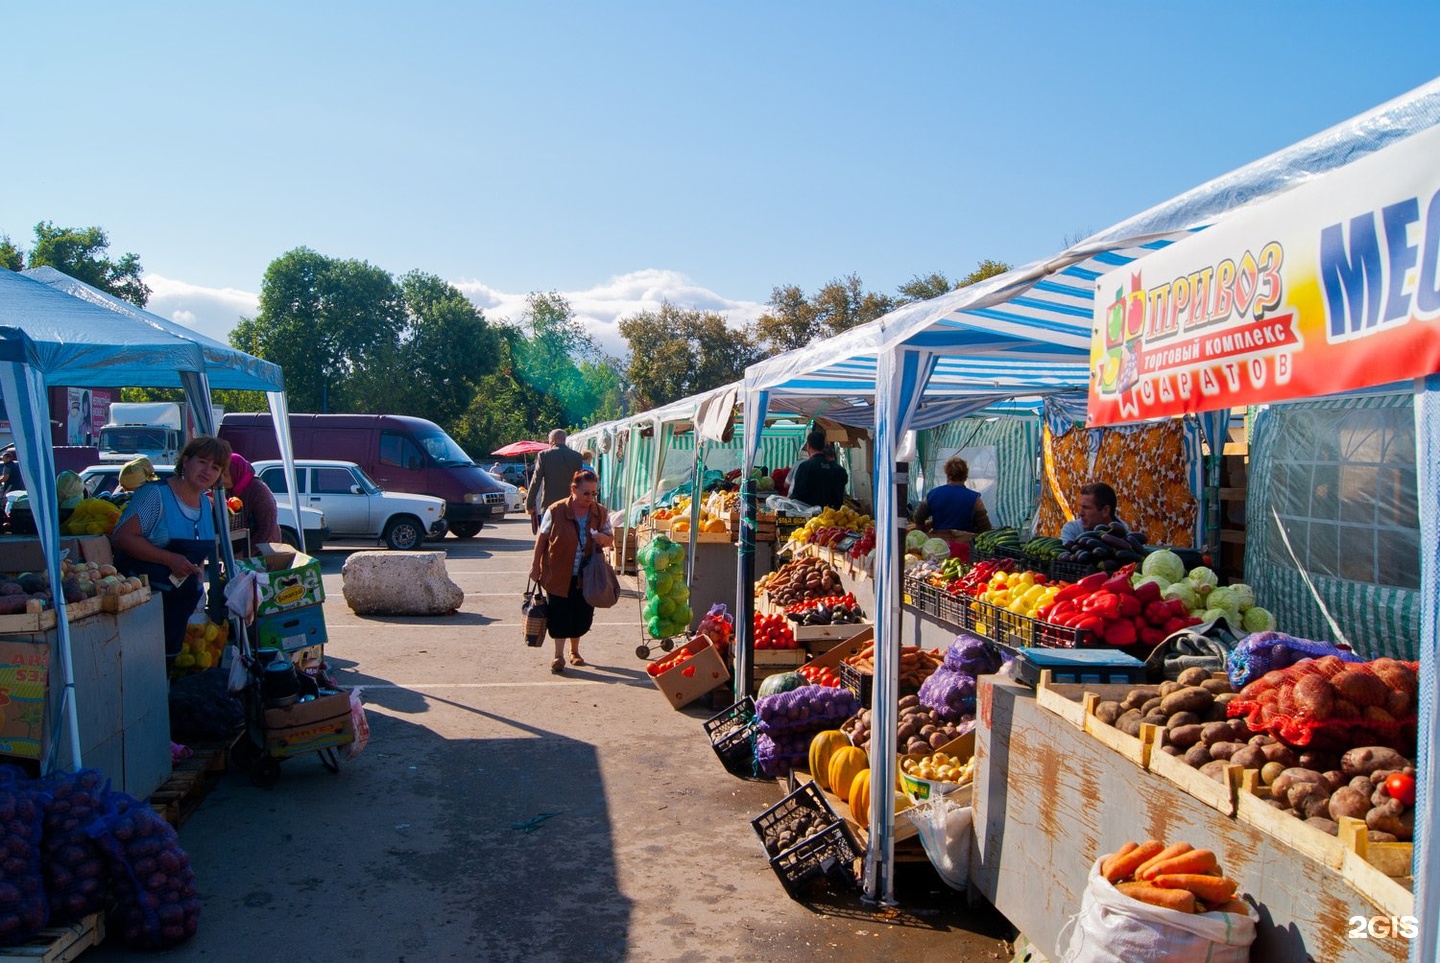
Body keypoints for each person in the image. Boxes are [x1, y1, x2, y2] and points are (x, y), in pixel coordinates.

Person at [111, 436, 231, 664]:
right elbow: (122, 537)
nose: (208, 471)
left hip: (177, 614)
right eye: (203, 462)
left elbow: (196, 553)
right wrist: (169, 559)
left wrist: (194, 571)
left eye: (215, 467)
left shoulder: (206, 504)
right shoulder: (155, 495)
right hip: (141, 611)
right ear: (185, 461)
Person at [529, 469, 614, 674]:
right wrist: (535, 566)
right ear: (573, 489)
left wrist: (603, 539)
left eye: (594, 493)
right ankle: (558, 655)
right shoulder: (556, 510)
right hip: (558, 572)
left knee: (581, 614)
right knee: (559, 614)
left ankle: (574, 652)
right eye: (586, 493)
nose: (590, 498)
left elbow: (610, 537)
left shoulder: (600, 512)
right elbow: (542, 539)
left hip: (587, 575)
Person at [912, 455, 992, 534]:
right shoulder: (975, 500)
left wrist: (924, 535)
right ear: (965, 477)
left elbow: (918, 517)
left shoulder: (932, 495)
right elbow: (985, 529)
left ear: (947, 475)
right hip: (965, 545)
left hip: (939, 543)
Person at [525, 429, 584, 534]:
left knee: (547, 538)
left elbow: (536, 481)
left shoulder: (544, 455)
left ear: (553, 440)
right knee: (569, 538)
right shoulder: (577, 456)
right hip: (571, 505)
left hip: (549, 505)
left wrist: (529, 504)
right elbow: (580, 482)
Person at [226, 453, 282, 548]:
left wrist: (248, 552)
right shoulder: (228, 490)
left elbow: (267, 527)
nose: (221, 479)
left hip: (263, 549)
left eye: (225, 475)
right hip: (240, 548)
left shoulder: (259, 490)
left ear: (236, 472)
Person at [788, 429, 848, 510]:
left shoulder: (805, 466)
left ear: (808, 446)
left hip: (810, 517)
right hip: (830, 516)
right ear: (823, 446)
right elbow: (838, 495)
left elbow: (797, 494)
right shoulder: (836, 469)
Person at [1060, 481, 1128, 543]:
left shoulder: (1126, 535)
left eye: (1086, 508)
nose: (1080, 513)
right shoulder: (1073, 529)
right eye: (1080, 506)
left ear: (1105, 511)